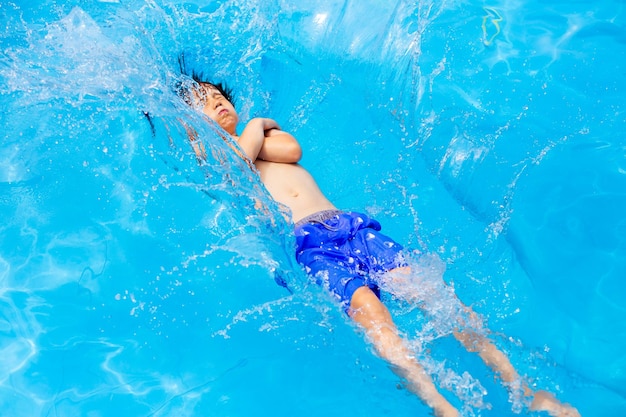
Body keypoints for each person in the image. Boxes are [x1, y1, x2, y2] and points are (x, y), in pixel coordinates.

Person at [178, 74, 581, 417]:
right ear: (190, 124)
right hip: (310, 247)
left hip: (350, 227)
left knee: (435, 297)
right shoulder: (211, 153)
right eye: (205, 103)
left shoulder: (260, 137)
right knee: (372, 314)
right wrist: (257, 125)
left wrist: (255, 128)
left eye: (220, 97)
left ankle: (526, 392)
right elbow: (236, 164)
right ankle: (441, 405)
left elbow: (292, 150)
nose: (217, 103)